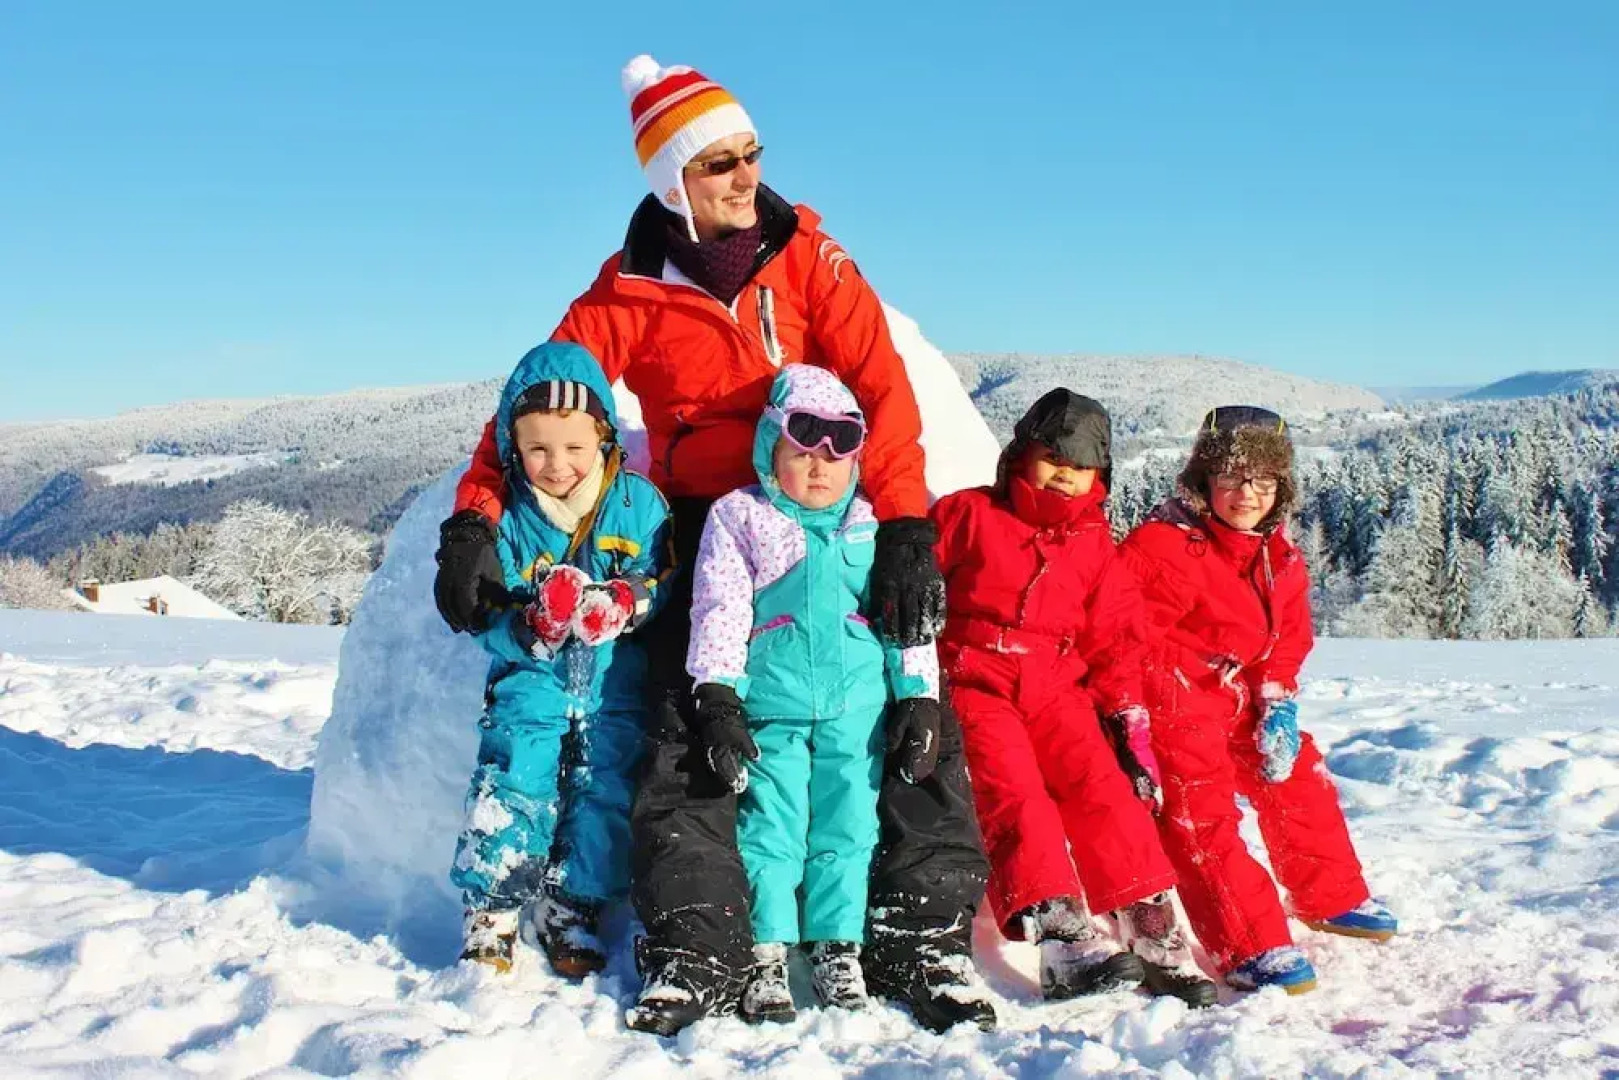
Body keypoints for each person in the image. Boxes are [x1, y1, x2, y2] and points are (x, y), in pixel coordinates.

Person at [431, 55, 992, 1034]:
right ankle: (696, 937)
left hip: (829, 511)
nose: (744, 177)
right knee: (682, 714)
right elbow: (539, 399)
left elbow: (881, 389)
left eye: (749, 155)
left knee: (908, 701)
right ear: (669, 183)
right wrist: (475, 517)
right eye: (717, 163)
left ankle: (918, 929)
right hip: (701, 525)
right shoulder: (624, 293)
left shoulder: (812, 261)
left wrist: (903, 521)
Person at [930, 390, 1218, 1008]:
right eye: (1051, 455)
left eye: (1081, 463)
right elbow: (918, 591)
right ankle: (1060, 934)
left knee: (1103, 789)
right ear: (1019, 456)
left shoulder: (1092, 542)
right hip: (977, 677)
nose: (1064, 470)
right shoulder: (967, 514)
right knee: (1015, 793)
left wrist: (1125, 715)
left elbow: (1114, 639)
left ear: (1099, 475)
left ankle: (1150, 925)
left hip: (1057, 686)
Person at [686, 364, 943, 1021]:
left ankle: (835, 945)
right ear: (768, 450)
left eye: (838, 452)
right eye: (800, 452)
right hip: (771, 707)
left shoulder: (869, 524)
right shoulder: (741, 517)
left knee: (847, 829)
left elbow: (904, 620)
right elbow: (720, 609)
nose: (819, 469)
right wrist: (717, 692)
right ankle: (766, 948)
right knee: (770, 830)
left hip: (855, 711)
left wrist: (917, 694)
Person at [1119, 405, 1398, 996]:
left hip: (1242, 695)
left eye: (1264, 482)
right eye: (1232, 478)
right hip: (1174, 699)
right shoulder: (1162, 547)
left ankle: (1329, 895)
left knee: (1296, 770)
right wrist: (1155, 705)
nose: (1247, 494)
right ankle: (1249, 941)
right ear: (1204, 481)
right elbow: (1123, 636)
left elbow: (1286, 636)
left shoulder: (1278, 555)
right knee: (1200, 809)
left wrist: (1278, 699)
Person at [451, 341, 672, 978]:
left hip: (612, 688)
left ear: (604, 438)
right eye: (538, 449)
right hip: (533, 682)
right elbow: (485, 614)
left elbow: (661, 577)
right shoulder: (511, 519)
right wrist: (529, 624)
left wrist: (627, 603)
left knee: (603, 789)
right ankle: (491, 905)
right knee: (515, 780)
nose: (558, 465)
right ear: (512, 448)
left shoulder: (637, 504)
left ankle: (571, 905)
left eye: (575, 448)